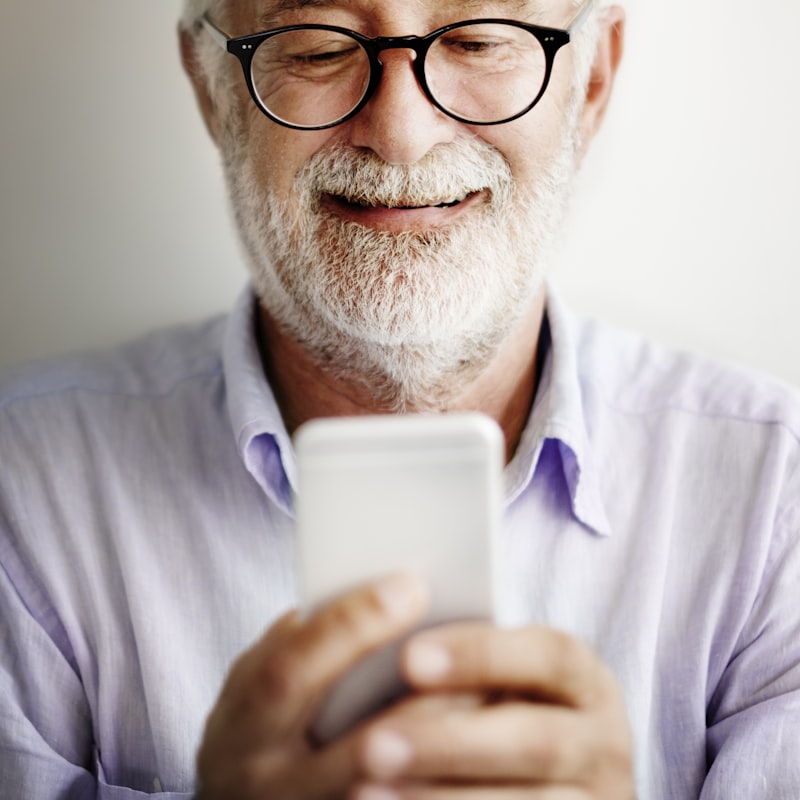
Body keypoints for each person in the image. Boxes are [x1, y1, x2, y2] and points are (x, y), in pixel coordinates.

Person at [0, 0, 798, 797]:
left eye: (482, 39)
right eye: (314, 47)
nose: (403, 135)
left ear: (591, 79)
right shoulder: (22, 497)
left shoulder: (775, 503)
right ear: (214, 93)